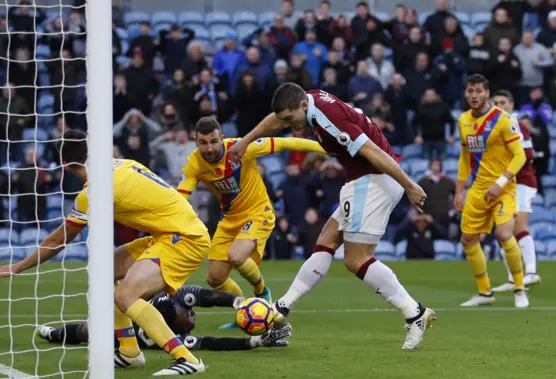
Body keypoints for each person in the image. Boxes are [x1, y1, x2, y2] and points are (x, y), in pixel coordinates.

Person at [227, 83, 435, 350]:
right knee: (327, 240)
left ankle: (414, 313)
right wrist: (245, 141)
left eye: (290, 120)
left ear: (302, 106)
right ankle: (282, 309)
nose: (288, 125)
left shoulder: (328, 118)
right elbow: (276, 120)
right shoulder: (308, 101)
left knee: (356, 259)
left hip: (372, 180)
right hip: (361, 180)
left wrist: (410, 185)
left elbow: (371, 150)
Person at [0, 130, 211, 376]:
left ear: (64, 164)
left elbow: (58, 240)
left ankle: (187, 359)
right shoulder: (123, 164)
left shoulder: (93, 193)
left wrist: (17, 267)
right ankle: (129, 352)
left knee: (126, 296)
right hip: (173, 232)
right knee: (104, 271)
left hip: (185, 239)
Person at [177, 117, 326, 329]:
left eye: (213, 141)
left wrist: (325, 148)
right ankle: (244, 310)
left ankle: (262, 293)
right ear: (196, 141)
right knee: (215, 279)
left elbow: (286, 143)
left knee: (236, 256)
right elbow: (181, 195)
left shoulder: (241, 149)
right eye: (203, 142)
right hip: (229, 219)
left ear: (222, 138)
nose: (209, 148)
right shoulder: (195, 163)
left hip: (258, 213)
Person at [37, 285, 293, 356]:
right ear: (171, 322)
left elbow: (207, 295)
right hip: (124, 330)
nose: (192, 315)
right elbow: (212, 342)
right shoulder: (167, 337)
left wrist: (239, 303)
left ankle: (56, 333)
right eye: (188, 315)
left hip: (134, 308)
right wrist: (253, 343)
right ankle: (56, 334)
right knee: (88, 331)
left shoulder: (176, 303)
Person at [454, 75, 528, 308]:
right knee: (468, 239)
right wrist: (458, 192)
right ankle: (485, 293)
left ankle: (519, 287)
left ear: (487, 93)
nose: (473, 95)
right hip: (478, 189)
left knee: (504, 235)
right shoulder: (463, 120)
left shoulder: (504, 120)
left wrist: (500, 182)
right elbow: (465, 158)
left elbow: (520, 155)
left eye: (478, 91)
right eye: (470, 91)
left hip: (504, 188)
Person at [490, 90, 540, 291]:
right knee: (502, 232)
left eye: (504, 102)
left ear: (511, 104)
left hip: (521, 182)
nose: (500, 106)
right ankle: (513, 279)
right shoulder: (494, 127)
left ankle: (531, 272)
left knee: (518, 227)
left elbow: (527, 155)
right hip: (504, 184)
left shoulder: (516, 125)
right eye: (496, 102)